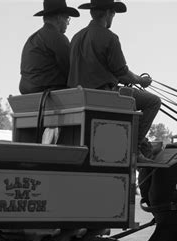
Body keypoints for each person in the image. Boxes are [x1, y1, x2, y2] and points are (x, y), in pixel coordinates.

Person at [68, 0, 161, 162]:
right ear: (109, 13)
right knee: (153, 101)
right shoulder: (109, 37)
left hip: (79, 97)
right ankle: (135, 148)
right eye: (113, 13)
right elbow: (122, 73)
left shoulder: (76, 37)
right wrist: (141, 80)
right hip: (104, 96)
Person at [19, 0, 80, 94]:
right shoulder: (57, 37)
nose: (68, 23)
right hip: (49, 92)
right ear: (59, 18)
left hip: (27, 92)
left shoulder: (33, 38)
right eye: (67, 18)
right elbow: (71, 71)